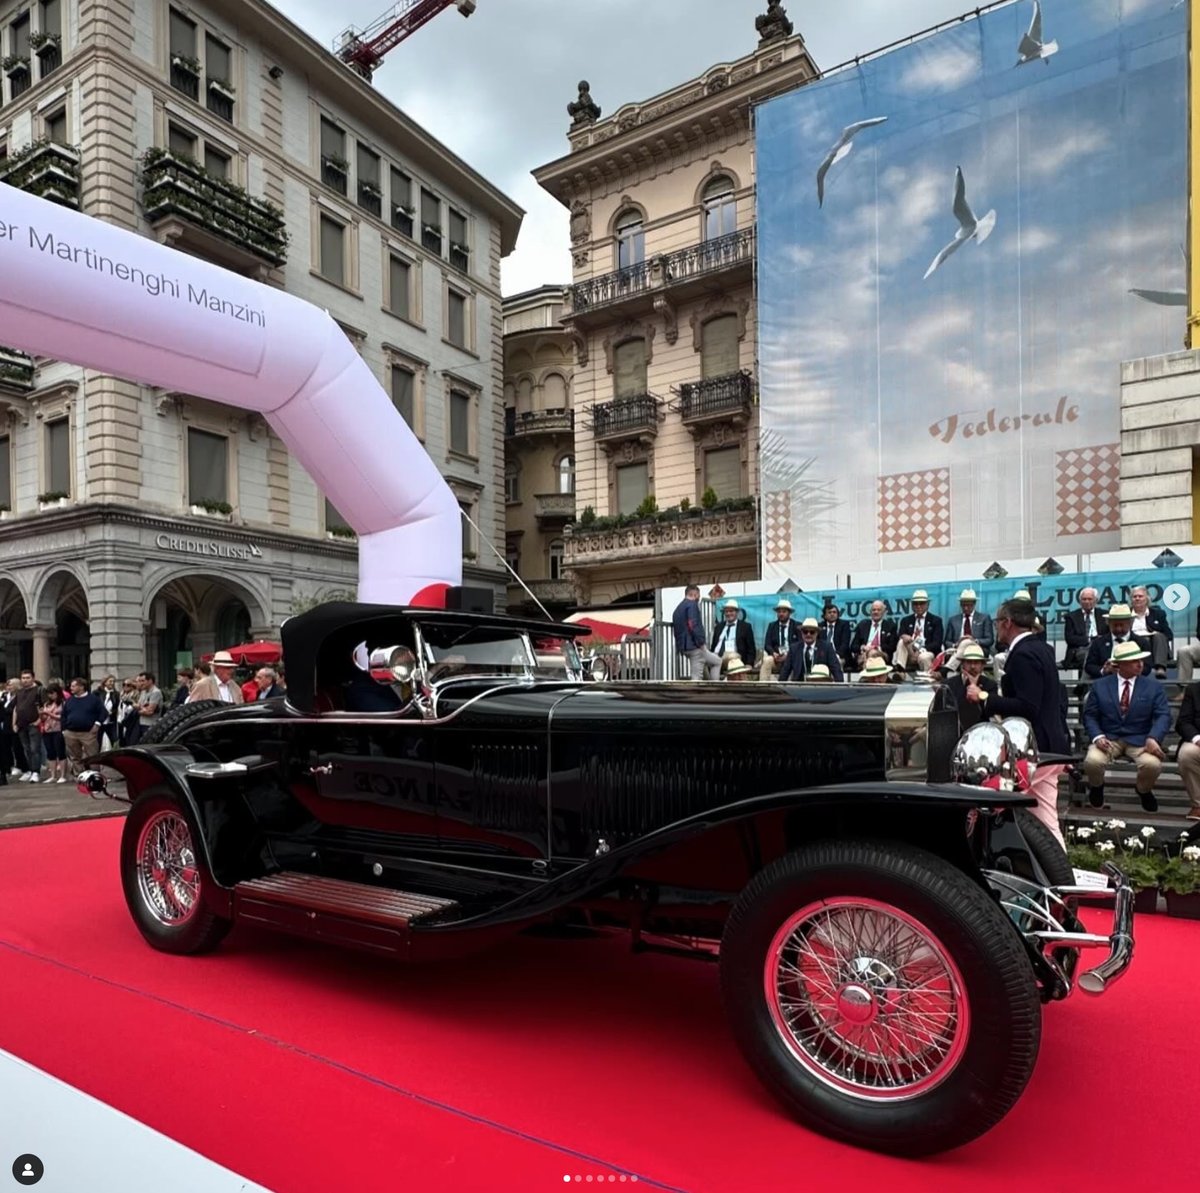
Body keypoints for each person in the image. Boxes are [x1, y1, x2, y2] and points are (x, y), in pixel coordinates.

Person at [964, 599, 1070, 847]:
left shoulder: (1023, 654)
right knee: (1046, 819)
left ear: (1007, 622)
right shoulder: (1042, 649)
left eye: (998, 623)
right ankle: (1061, 874)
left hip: (1034, 752)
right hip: (1050, 748)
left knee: (988, 806)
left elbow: (1027, 707)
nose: (997, 629)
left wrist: (983, 696)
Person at [1082, 640, 1169, 813]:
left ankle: (1143, 790)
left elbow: (1163, 715)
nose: (1140, 664)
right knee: (1092, 761)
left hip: (1140, 739)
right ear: (1119, 665)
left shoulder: (1153, 687)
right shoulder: (1100, 686)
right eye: (1134, 661)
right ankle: (1097, 788)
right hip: (1109, 737)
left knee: (1152, 765)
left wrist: (1153, 737)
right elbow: (1090, 715)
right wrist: (1098, 736)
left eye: (1141, 660)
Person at [1083, 604, 1151, 680]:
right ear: (1108, 623)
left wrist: (1128, 670)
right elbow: (1089, 666)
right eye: (1115, 625)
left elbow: (1147, 668)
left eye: (1122, 625)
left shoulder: (1141, 643)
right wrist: (1104, 670)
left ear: (1130, 623)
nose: (1118, 629)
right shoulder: (1098, 643)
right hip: (1104, 682)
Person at [672, 583, 720, 681]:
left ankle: (713, 687)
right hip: (695, 647)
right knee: (696, 679)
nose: (699, 597)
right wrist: (701, 642)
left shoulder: (677, 609)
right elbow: (693, 625)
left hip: (684, 647)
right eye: (699, 595)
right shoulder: (692, 605)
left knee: (717, 661)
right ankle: (715, 691)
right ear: (695, 594)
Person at [944, 643, 997, 729]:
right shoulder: (949, 684)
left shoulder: (990, 685)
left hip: (981, 732)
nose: (972, 666)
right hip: (953, 730)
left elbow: (990, 712)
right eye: (969, 662)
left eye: (976, 663)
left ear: (982, 665)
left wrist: (977, 692)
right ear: (962, 664)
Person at [61, 677, 106, 775]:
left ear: (81, 687)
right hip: (71, 732)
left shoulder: (93, 699)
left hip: (88, 732)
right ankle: (80, 774)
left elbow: (103, 713)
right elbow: (63, 715)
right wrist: (64, 730)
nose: (71, 688)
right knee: (74, 756)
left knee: (93, 755)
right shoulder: (70, 700)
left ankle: (95, 775)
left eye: (74, 686)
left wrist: (97, 724)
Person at [780, 618, 845, 681]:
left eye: (812, 632)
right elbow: (785, 670)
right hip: (799, 686)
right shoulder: (794, 648)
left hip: (820, 685)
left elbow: (836, 669)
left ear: (817, 633)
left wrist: (840, 688)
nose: (808, 634)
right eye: (805, 632)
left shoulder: (827, 647)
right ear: (801, 633)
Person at [895, 589, 944, 673]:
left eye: (921, 603)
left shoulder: (936, 620)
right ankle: (900, 672)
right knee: (901, 641)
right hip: (910, 649)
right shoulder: (906, 620)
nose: (918, 606)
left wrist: (920, 651)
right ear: (912, 605)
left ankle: (928, 679)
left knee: (924, 657)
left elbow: (937, 643)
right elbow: (900, 634)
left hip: (927, 650)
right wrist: (903, 636)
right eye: (915, 604)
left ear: (927, 604)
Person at [1129, 586, 1172, 679]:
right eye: (1134, 596)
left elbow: (1169, 635)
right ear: (1131, 599)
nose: (1137, 599)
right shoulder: (1126, 614)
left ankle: (1160, 668)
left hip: (1153, 643)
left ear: (1147, 598)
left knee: (1159, 636)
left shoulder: (1158, 614)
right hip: (1133, 642)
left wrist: (1154, 631)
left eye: (1140, 596)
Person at [1173, 679, 1200, 822]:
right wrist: (1197, 739)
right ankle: (1198, 805)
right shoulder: (1194, 690)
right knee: (1187, 754)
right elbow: (1183, 722)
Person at [13, 670, 44, 782]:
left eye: (28, 678)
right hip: (21, 724)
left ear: (33, 678)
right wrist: (14, 723)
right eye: (23, 678)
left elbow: (44, 707)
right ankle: (30, 770)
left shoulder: (39, 690)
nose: (25, 680)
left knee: (35, 748)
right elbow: (16, 709)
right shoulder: (19, 692)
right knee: (26, 749)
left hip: (33, 724)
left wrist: (39, 720)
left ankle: (36, 771)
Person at [1063, 588, 1105, 672]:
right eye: (1084, 599)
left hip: (1100, 647)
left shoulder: (1104, 615)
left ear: (1096, 600)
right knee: (1088, 654)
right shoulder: (1071, 617)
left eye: (1090, 599)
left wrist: (1098, 641)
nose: (1087, 601)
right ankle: (1086, 682)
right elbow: (1070, 639)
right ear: (1080, 601)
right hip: (1080, 650)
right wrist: (1090, 640)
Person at [709, 600, 755, 676]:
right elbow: (713, 646)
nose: (728, 613)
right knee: (701, 659)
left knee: (732, 657)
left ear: (737, 612)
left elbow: (751, 648)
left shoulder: (745, 627)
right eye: (726, 611)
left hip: (734, 657)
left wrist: (749, 663)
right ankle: (709, 685)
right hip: (717, 656)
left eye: (731, 611)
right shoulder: (719, 627)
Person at [760, 598, 801, 682]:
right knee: (767, 660)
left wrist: (788, 655)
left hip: (792, 657)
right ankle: (763, 687)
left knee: (797, 661)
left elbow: (800, 644)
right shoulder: (772, 626)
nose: (781, 614)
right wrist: (773, 653)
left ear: (789, 613)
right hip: (777, 658)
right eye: (779, 612)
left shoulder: (797, 626)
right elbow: (767, 644)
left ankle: (794, 689)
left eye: (784, 611)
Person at [850, 601, 897, 670]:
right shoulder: (862, 625)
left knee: (872, 653)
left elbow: (892, 647)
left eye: (879, 610)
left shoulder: (890, 626)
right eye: (874, 610)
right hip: (864, 653)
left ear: (884, 612)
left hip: (882, 654)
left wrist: (876, 648)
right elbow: (853, 646)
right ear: (870, 612)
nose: (876, 612)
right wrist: (862, 647)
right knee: (867, 655)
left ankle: (866, 677)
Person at [37, 682, 67, 784]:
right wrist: (41, 715)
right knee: (50, 753)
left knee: (60, 752)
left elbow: (62, 717)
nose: (50, 695)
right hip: (47, 729)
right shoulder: (46, 704)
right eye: (49, 693)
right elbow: (44, 718)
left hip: (58, 729)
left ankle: (63, 775)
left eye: (52, 693)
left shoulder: (63, 703)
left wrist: (49, 713)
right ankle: (53, 775)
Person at [132, 672, 163, 745]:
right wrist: (142, 708)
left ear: (150, 681)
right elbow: (139, 705)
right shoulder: (143, 691)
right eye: (139, 681)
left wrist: (139, 709)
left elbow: (149, 712)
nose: (140, 683)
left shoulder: (156, 692)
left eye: (143, 681)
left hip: (151, 724)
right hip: (141, 723)